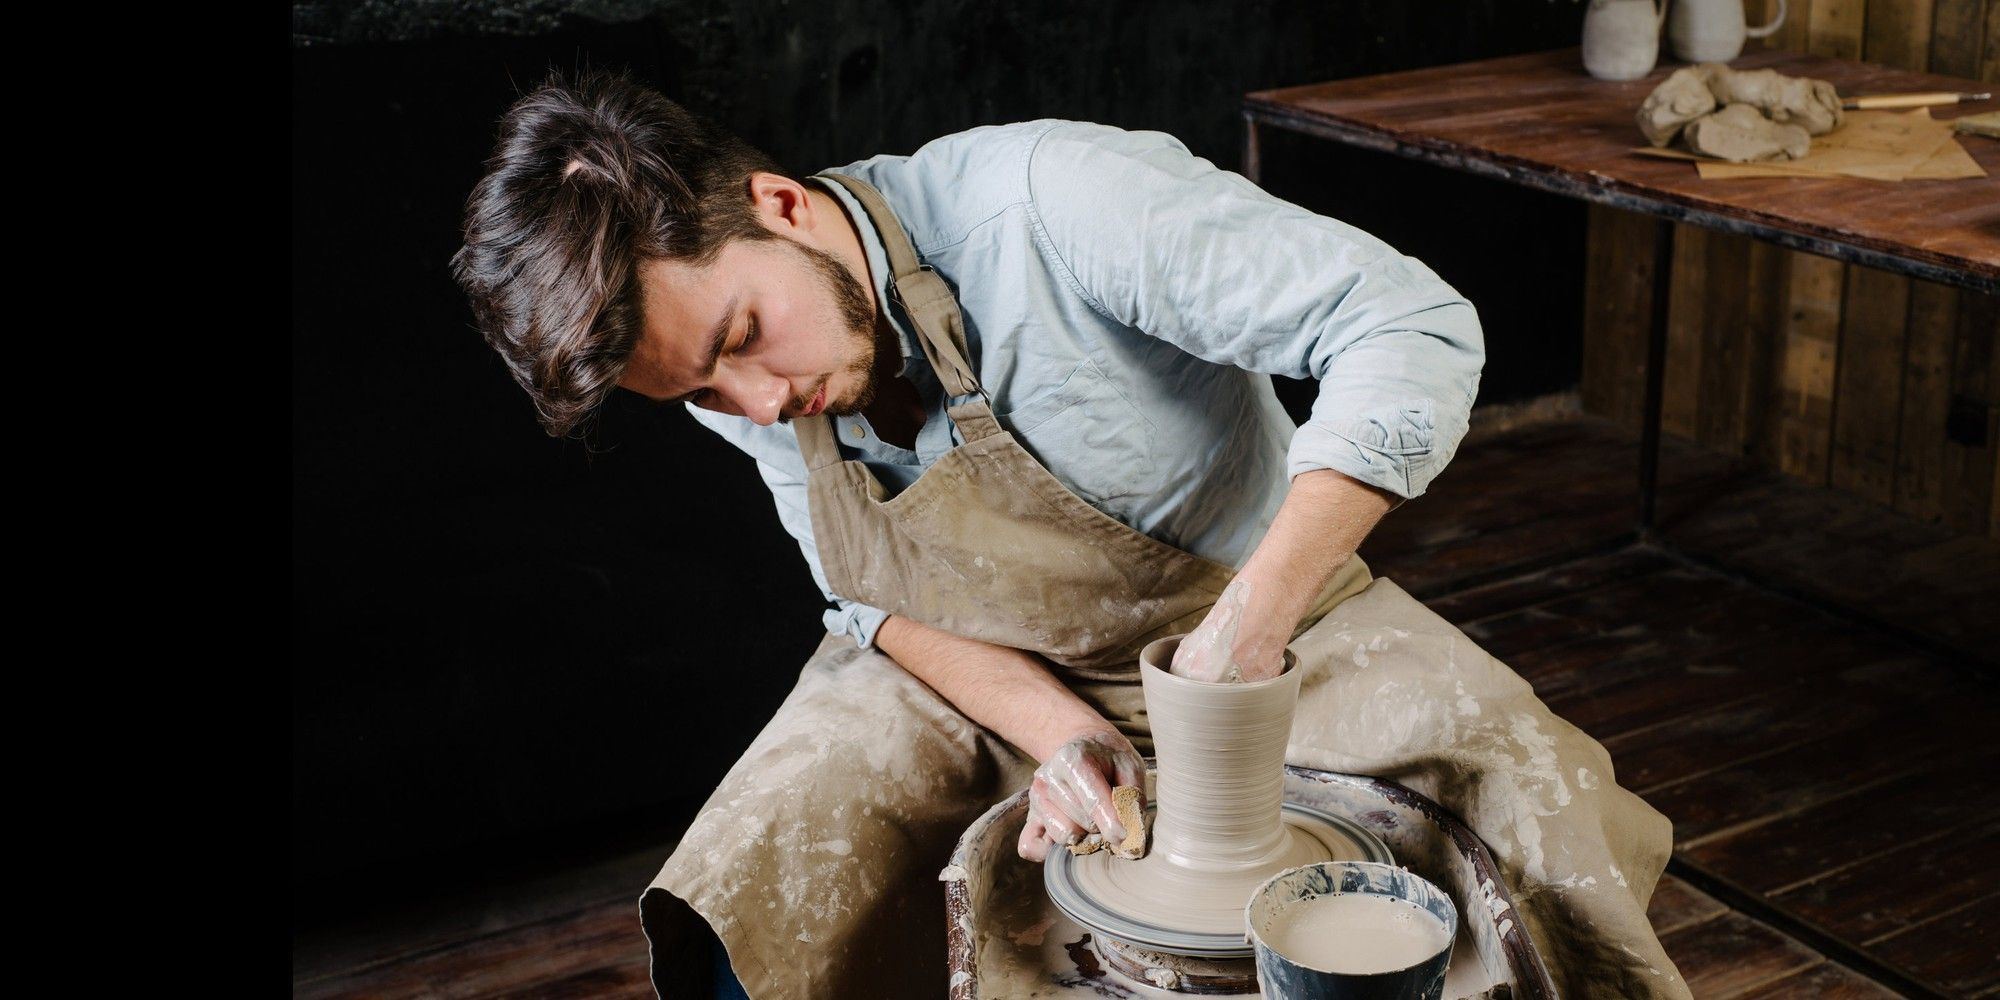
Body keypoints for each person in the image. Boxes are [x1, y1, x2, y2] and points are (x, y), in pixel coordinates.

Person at [453, 69, 1690, 1000]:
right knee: (766, 868)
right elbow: (869, 605)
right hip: (978, 669)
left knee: (1525, 810)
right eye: (701, 397)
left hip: (1270, 618)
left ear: (779, 204)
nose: (759, 404)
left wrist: (1243, 634)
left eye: (738, 342)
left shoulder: (1055, 202)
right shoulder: (742, 377)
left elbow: (1407, 324)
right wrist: (1065, 736)